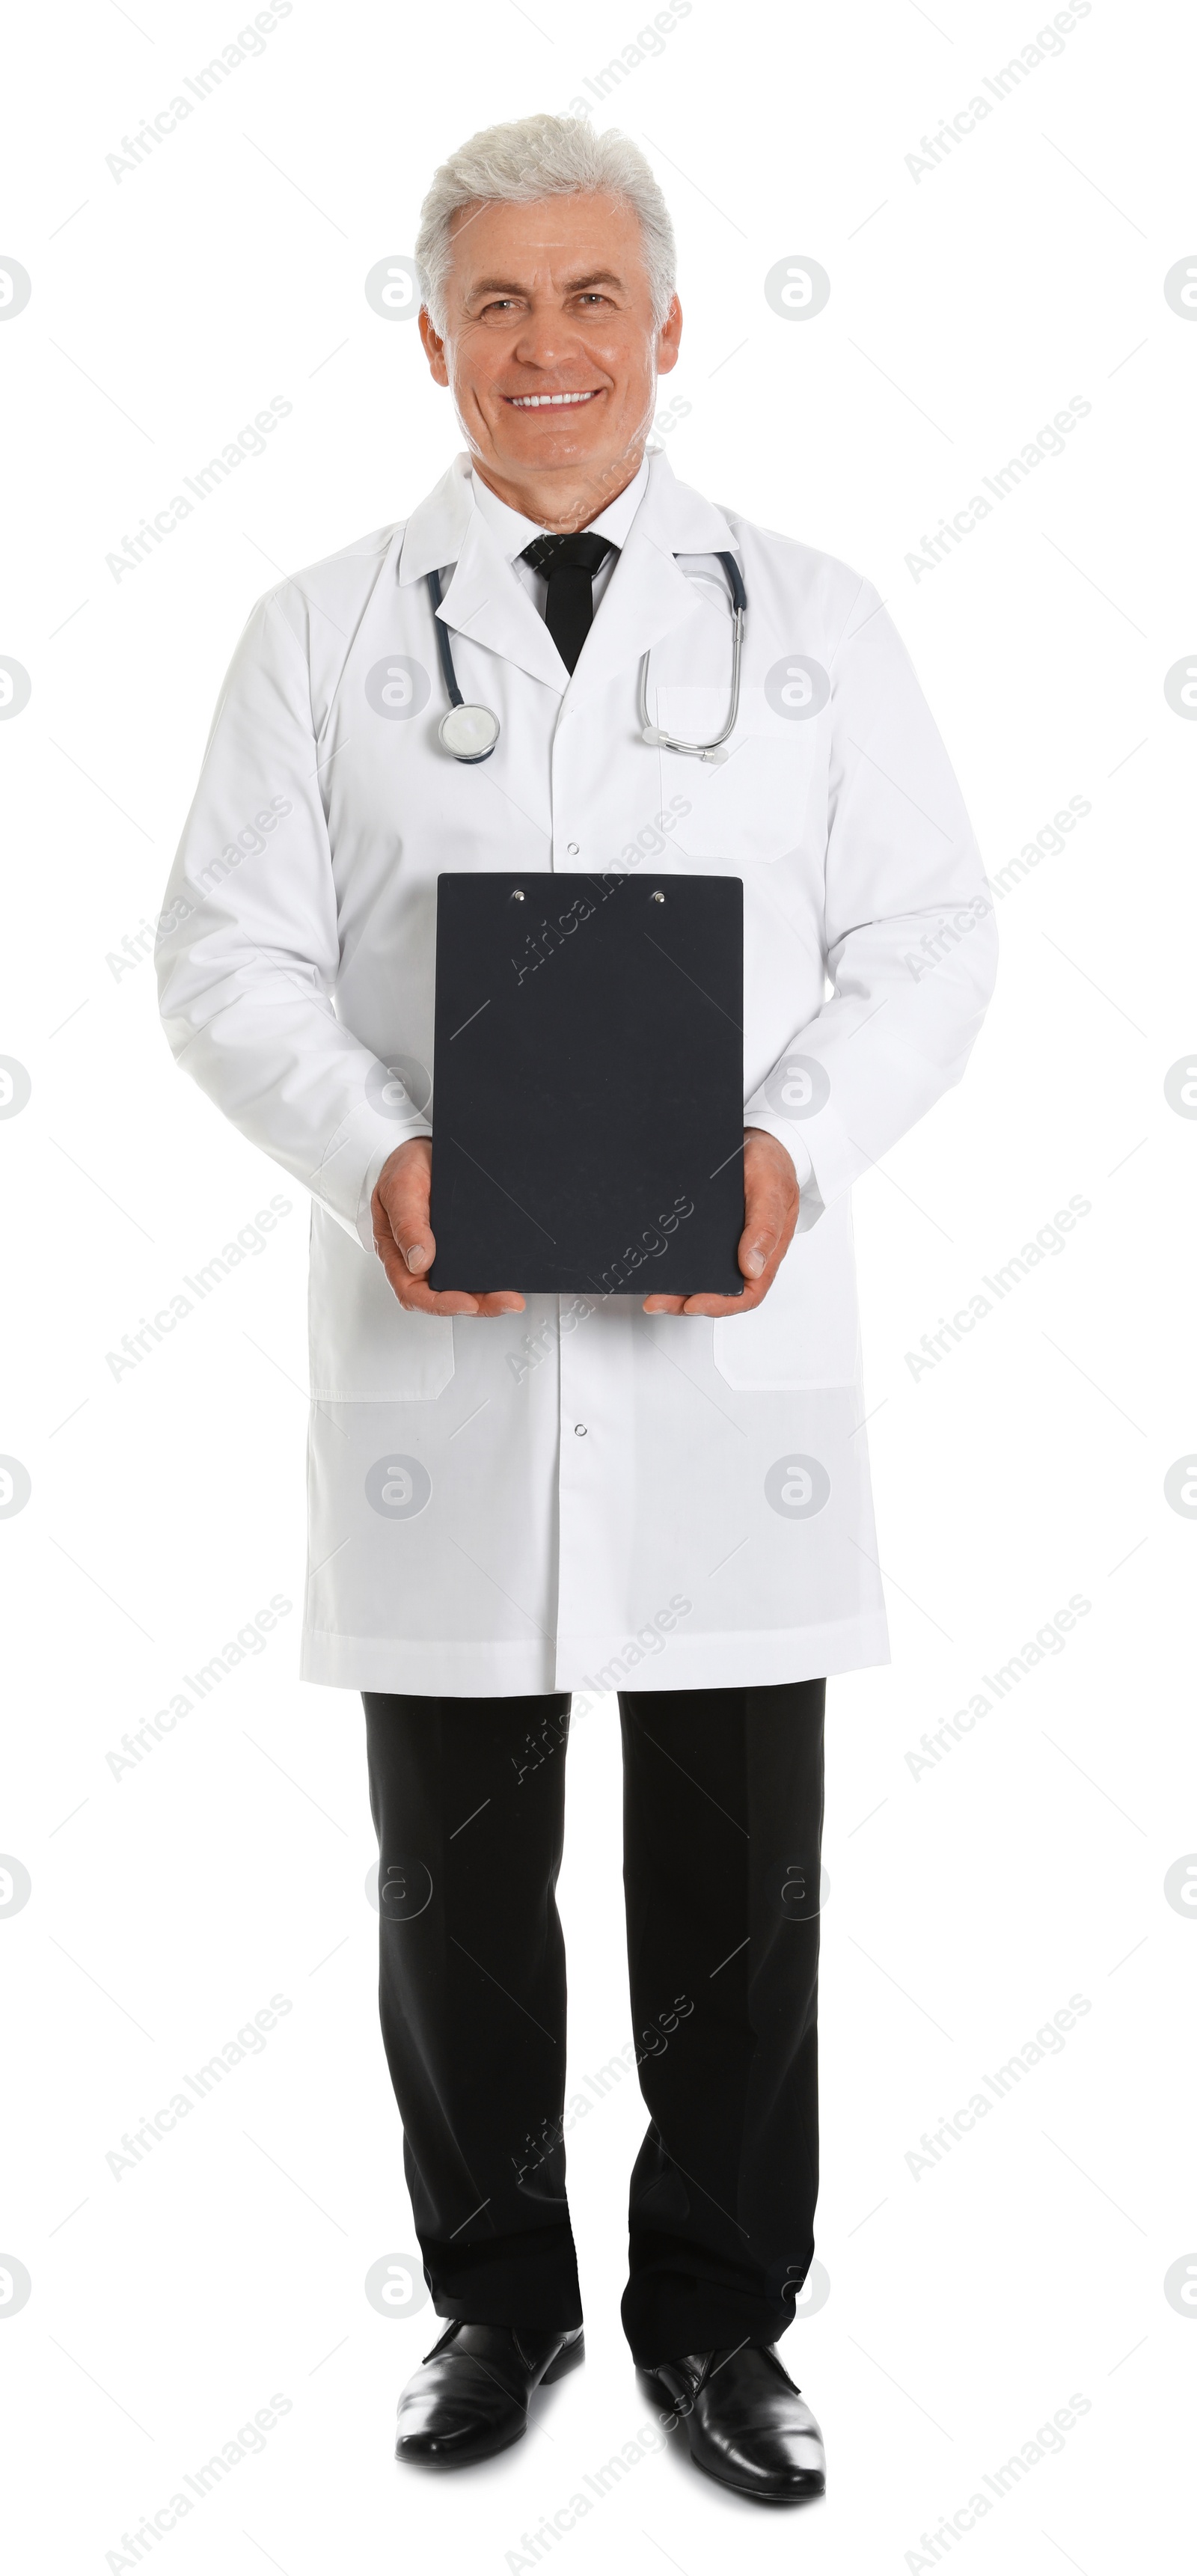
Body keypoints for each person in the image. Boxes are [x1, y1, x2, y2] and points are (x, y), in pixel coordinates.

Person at [156, 113, 997, 2504]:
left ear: (666, 327)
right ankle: (497, 2305)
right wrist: (374, 1152)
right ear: (435, 337)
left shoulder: (812, 616)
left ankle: (723, 2324)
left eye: (590, 298)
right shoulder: (320, 630)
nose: (548, 349)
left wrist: (792, 1148)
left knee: (738, 1878)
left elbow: (934, 935)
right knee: (458, 1879)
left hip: (734, 1353)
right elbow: (221, 951)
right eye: (499, 305)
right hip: (448, 1337)